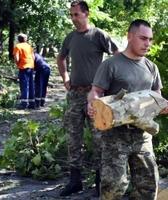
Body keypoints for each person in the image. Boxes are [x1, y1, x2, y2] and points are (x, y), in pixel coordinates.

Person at [87, 19, 168, 200]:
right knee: (113, 188)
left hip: (142, 135)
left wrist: (162, 107)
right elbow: (95, 92)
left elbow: (157, 97)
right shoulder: (111, 64)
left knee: (148, 186)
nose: (147, 43)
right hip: (115, 135)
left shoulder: (151, 67)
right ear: (130, 37)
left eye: (150, 39)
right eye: (143, 38)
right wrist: (93, 105)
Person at [57, 0, 118, 197]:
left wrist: (108, 83)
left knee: (99, 137)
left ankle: (101, 181)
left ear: (86, 14)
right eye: (72, 15)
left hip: (95, 95)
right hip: (75, 94)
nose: (73, 18)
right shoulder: (70, 37)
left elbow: (117, 55)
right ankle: (75, 181)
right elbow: (61, 58)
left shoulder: (98, 35)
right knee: (73, 138)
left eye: (77, 14)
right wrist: (65, 78)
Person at [13, 33, 35, 109]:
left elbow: (17, 58)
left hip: (23, 67)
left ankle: (24, 104)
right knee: (31, 85)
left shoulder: (17, 46)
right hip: (31, 67)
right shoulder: (29, 46)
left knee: (24, 85)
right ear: (25, 39)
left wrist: (17, 64)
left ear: (18, 39)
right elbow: (33, 57)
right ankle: (32, 103)